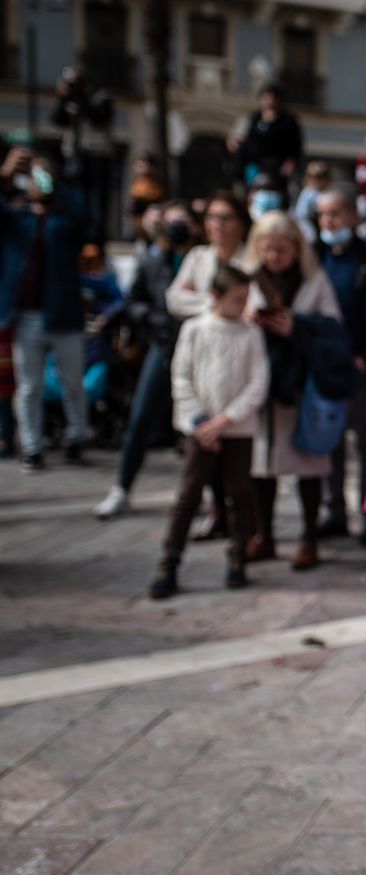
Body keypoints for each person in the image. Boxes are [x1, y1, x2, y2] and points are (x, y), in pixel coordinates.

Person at [148, 265, 269, 600]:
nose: (243, 305)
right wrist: (201, 422)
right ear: (216, 296)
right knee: (189, 494)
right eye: (237, 299)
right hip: (199, 430)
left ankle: (238, 556)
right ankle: (169, 561)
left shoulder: (250, 334)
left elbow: (258, 384)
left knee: (239, 494)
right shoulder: (195, 329)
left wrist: (225, 421)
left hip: (237, 429)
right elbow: (181, 377)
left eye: (246, 298)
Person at [242, 211, 352, 571]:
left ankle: (309, 537)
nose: (274, 256)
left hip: (301, 384)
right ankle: (263, 534)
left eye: (281, 249)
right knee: (261, 464)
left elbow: (334, 330)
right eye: (267, 248)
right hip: (260, 384)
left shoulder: (313, 280)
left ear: (296, 248)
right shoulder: (248, 279)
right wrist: (250, 321)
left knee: (308, 464)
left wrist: (296, 327)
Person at [95, 202, 200, 518]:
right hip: (163, 346)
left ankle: (204, 497)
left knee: (197, 425)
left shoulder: (201, 259)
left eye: (182, 221)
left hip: (198, 351)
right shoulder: (154, 260)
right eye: (171, 221)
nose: (176, 227)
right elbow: (133, 300)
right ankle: (122, 489)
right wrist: (151, 317)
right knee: (140, 417)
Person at [312, 183, 366, 547]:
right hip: (325, 367)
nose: (328, 221)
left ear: (353, 215)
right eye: (322, 215)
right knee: (328, 443)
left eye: (334, 213)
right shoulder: (313, 257)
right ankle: (334, 512)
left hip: (362, 367)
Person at [167, 191, 254, 539]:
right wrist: (215, 307)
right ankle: (208, 521)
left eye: (224, 217)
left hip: (238, 364)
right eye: (211, 218)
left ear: (240, 223)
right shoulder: (198, 257)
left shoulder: (251, 258)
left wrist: (228, 307)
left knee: (237, 472)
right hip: (203, 354)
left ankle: (240, 536)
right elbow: (175, 298)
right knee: (196, 469)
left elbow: (254, 306)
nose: (216, 225)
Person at [0, 148, 93, 471]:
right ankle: (32, 446)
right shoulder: (17, 219)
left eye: (42, 177)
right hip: (26, 315)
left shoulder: (66, 220)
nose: (36, 182)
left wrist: (55, 181)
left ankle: (76, 437)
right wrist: (5, 175)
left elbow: (86, 217)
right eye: (33, 176)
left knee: (73, 383)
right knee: (29, 386)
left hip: (64, 314)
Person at [231, 82, 303, 186]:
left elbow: (295, 145)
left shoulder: (288, 122)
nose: (269, 102)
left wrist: (290, 162)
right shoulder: (252, 119)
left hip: (277, 168)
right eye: (266, 98)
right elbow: (239, 138)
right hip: (253, 166)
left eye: (272, 98)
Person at [294, 160, 332, 244]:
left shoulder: (328, 191)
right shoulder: (309, 193)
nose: (319, 182)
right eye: (316, 179)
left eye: (322, 178)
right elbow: (302, 214)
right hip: (308, 221)